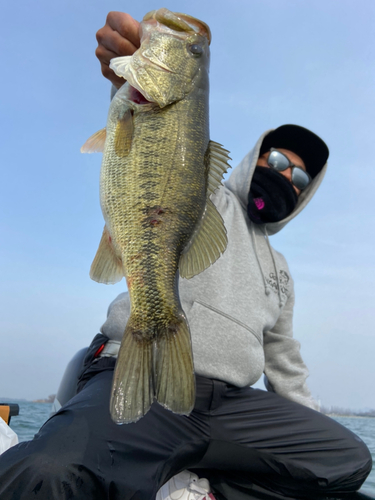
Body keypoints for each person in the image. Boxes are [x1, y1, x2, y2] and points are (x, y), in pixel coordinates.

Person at [0, 11, 372, 500]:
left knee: (348, 460)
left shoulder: (282, 273)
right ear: (255, 158)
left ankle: (203, 487)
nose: (285, 178)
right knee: (44, 473)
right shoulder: (206, 192)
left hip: (233, 407)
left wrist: (301, 416)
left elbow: (284, 361)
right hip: (143, 381)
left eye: (299, 178)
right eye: (278, 161)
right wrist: (123, 73)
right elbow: (148, 137)